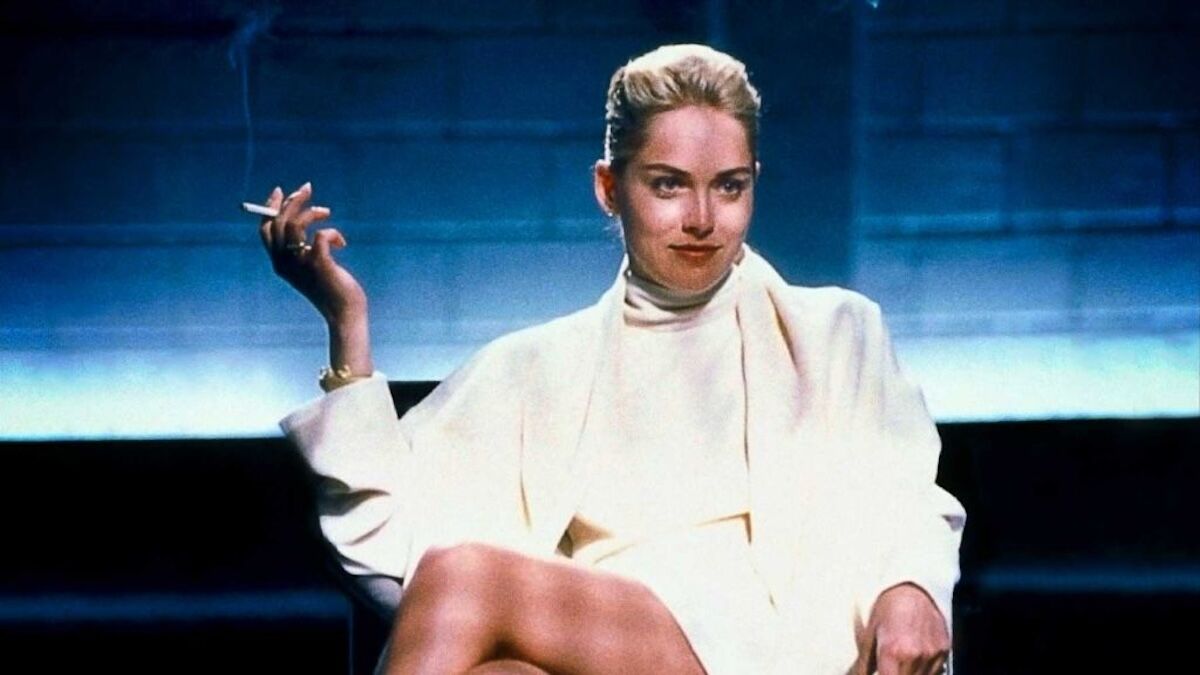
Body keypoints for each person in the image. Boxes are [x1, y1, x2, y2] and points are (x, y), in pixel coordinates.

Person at [260, 44, 965, 675]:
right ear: (608, 188)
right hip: (600, 649)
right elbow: (387, 543)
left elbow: (905, 491)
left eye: (728, 186)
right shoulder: (535, 367)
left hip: (777, 647)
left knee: (463, 575)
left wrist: (913, 586)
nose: (702, 218)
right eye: (668, 184)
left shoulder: (836, 331)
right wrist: (346, 322)